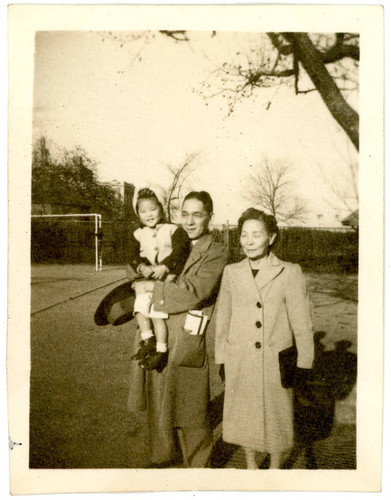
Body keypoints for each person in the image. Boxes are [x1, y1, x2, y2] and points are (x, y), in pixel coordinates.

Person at [127, 191, 227, 467]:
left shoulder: (215, 251)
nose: (191, 221)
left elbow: (194, 291)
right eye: (186, 214)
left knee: (191, 408)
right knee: (158, 401)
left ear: (210, 217)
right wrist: (140, 272)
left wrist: (152, 287)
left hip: (186, 336)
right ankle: (162, 458)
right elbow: (134, 266)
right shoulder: (167, 236)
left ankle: (198, 466)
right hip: (157, 334)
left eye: (198, 214)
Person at [215, 207, 315, 469]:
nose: (248, 241)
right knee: (244, 415)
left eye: (256, 235)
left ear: (271, 237)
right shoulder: (231, 272)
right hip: (241, 358)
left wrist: (304, 363)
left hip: (274, 360)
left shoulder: (289, 271)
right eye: (244, 235)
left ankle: (274, 467)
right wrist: (222, 358)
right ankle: (250, 465)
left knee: (277, 417)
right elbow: (223, 319)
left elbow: (302, 323)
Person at [128, 188, 190, 372]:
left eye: (153, 209)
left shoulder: (174, 230)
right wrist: (141, 267)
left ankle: (161, 350)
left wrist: (166, 266)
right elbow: (131, 255)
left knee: (157, 314)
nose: (148, 215)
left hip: (166, 278)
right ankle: (148, 339)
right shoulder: (138, 233)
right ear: (138, 213)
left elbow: (181, 251)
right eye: (143, 211)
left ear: (162, 209)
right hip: (146, 278)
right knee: (139, 310)